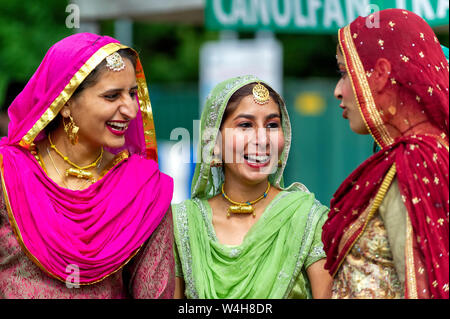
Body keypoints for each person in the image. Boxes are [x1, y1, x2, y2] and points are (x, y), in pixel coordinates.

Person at [0, 33, 174, 298]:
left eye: (132, 94)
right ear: (65, 103)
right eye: (112, 96)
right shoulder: (8, 172)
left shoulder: (144, 189)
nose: (131, 109)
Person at [322, 9, 449, 299]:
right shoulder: (427, 154)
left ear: (380, 74)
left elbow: (422, 289)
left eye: (345, 73)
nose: (337, 91)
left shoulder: (416, 162)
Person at [172, 75, 333, 299]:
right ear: (214, 144)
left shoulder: (308, 219)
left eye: (272, 125)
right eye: (245, 125)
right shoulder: (184, 224)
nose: (262, 139)